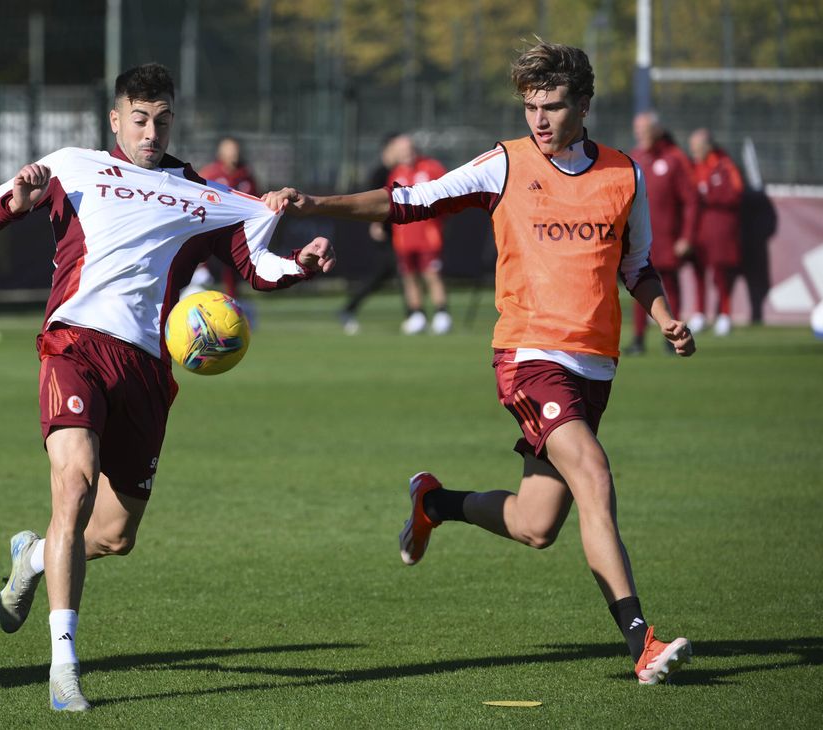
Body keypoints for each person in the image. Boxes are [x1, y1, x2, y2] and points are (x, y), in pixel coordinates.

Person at [266, 41, 695, 685]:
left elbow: (636, 265)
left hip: (595, 367)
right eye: (530, 107)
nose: (539, 120)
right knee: (593, 474)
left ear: (583, 105)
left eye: (553, 107)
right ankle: (642, 642)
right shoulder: (505, 164)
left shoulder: (623, 176)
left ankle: (435, 504)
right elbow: (407, 201)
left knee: (536, 525)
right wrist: (314, 204)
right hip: (529, 355)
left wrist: (663, 317)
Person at [0, 63, 334, 712]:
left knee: (113, 536)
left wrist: (300, 264)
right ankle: (64, 669)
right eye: (138, 119)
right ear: (115, 119)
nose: (150, 132)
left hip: (144, 372)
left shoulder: (202, 193)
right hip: (74, 345)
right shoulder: (73, 167)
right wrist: (14, 203)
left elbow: (255, 266)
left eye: (162, 120)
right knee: (73, 486)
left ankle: (34, 558)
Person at [625, 111, 699, 354]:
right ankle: (638, 338)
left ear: (656, 131)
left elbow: (691, 201)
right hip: (639, 238)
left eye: (645, 130)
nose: (641, 135)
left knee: (669, 286)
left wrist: (686, 236)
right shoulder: (635, 158)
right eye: (638, 131)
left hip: (667, 238)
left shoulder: (675, 158)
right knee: (638, 285)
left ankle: (673, 336)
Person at [338, 132, 405, 335]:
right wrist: (376, 224)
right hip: (386, 231)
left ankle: (349, 308)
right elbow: (372, 202)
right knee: (399, 271)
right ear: (389, 149)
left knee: (387, 273)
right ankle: (414, 314)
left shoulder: (399, 171)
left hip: (399, 230)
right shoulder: (379, 173)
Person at [388, 136, 452, 335]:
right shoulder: (396, 173)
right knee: (409, 276)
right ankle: (417, 314)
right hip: (403, 238)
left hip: (428, 236)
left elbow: (449, 194)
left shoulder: (431, 167)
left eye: (408, 148)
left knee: (432, 274)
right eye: (401, 150)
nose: (406, 153)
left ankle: (442, 313)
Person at [688, 128, 744, 337]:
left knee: (720, 274)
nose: (694, 152)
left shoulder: (725, 165)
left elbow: (736, 192)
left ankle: (724, 314)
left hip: (719, 230)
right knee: (698, 272)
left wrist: (709, 195)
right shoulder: (692, 166)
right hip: (698, 229)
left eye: (697, 148)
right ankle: (699, 314)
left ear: (708, 146)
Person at [197, 136, 260, 298]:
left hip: (236, 231)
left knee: (231, 267)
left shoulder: (246, 175)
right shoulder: (210, 173)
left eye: (236, 149)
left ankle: (232, 299)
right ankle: (199, 277)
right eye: (230, 149)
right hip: (212, 227)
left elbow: (256, 202)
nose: (234, 153)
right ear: (221, 152)